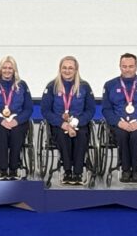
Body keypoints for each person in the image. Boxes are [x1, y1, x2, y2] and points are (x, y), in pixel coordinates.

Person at [102, 53, 137, 184]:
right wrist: (118, 122)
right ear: (120, 67)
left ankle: (136, 170)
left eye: (131, 66)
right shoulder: (110, 85)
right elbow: (106, 109)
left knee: (136, 137)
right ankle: (126, 169)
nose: (127, 69)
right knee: (122, 135)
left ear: (136, 67)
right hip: (119, 124)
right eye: (124, 66)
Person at [40, 56, 96, 185]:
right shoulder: (52, 86)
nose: (67, 71)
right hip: (59, 124)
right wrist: (62, 124)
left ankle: (78, 172)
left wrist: (77, 121)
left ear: (76, 70)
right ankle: (67, 171)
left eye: (70, 68)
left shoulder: (84, 87)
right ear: (60, 69)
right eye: (64, 68)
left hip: (79, 123)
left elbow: (90, 110)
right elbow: (46, 110)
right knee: (62, 137)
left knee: (81, 136)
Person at [0, 55, 33, 180]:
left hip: (17, 120)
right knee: (1, 133)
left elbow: (28, 108)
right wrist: (1, 121)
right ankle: (3, 169)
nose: (7, 70)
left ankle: (14, 168)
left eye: (10, 68)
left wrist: (17, 121)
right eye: (4, 67)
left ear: (15, 70)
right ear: (0, 69)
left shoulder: (22, 86)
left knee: (17, 133)